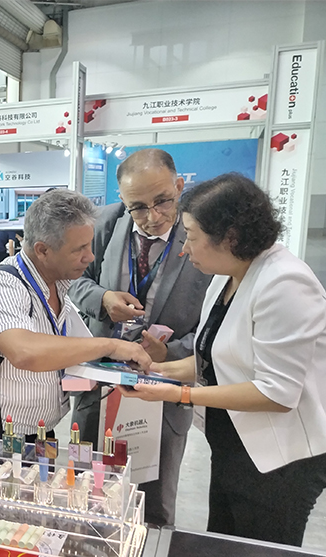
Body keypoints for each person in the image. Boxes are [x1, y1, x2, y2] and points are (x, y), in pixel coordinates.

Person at [123, 173, 326, 547]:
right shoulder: (229, 276)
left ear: (230, 237)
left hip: (280, 460)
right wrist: (157, 371)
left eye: (192, 237)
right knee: (223, 552)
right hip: (234, 446)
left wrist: (179, 394)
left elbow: (277, 393)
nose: (184, 249)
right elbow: (216, 357)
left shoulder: (285, 284)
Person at [68, 148, 212, 527]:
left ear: (179, 186)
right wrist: (102, 299)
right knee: (86, 488)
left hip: (162, 388)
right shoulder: (105, 224)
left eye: (162, 200)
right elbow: (73, 281)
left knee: (153, 504)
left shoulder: (203, 237)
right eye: (138, 207)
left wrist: (170, 353)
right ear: (123, 200)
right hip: (99, 382)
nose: (153, 216)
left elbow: (215, 326)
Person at [0, 189, 152, 440]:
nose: (90, 256)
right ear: (43, 250)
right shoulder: (4, 286)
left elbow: (68, 345)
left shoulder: (58, 281)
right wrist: (111, 346)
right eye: (79, 249)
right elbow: (25, 352)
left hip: (39, 428)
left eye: (89, 245)